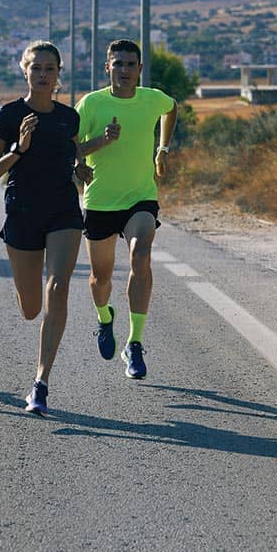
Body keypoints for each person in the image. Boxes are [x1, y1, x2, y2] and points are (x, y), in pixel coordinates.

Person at [0, 41, 91, 415]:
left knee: (57, 288)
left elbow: (76, 159)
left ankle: (40, 383)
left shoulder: (68, 118)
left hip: (63, 212)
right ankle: (26, 293)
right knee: (31, 308)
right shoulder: (8, 115)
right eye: (36, 68)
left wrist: (81, 170)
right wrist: (19, 148)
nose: (43, 75)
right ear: (24, 70)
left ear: (59, 74)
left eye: (50, 69)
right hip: (22, 213)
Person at [76, 39, 177, 379]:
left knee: (140, 255)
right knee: (100, 278)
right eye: (117, 64)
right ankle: (105, 318)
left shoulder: (151, 99)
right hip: (100, 201)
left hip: (140, 198)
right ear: (107, 68)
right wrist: (98, 146)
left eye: (130, 64)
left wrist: (162, 148)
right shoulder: (91, 103)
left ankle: (134, 343)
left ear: (139, 69)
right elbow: (71, 147)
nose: (124, 70)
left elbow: (171, 107)